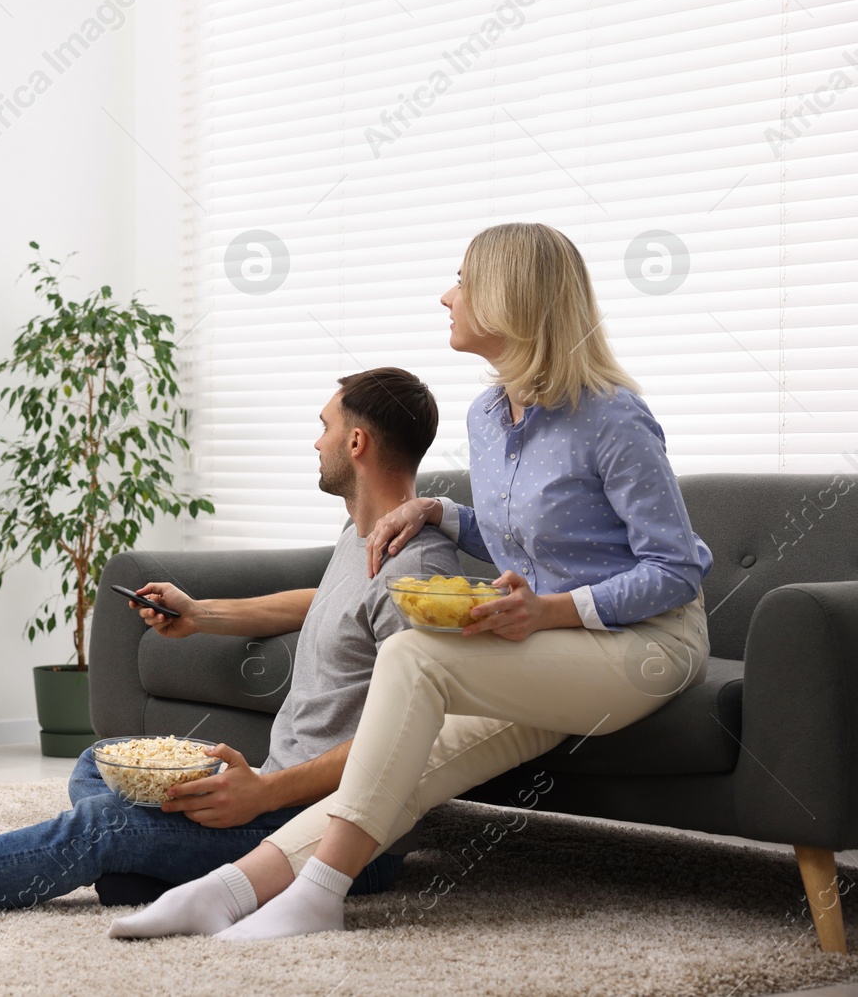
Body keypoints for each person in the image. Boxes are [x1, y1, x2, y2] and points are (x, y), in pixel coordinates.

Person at [110, 222, 713, 941]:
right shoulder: (488, 416)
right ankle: (229, 888)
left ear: (509, 297)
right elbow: (537, 536)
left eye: (461, 280)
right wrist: (441, 510)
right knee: (412, 757)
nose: (446, 295)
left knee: (412, 653)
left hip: (644, 647)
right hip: (558, 659)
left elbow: (675, 571)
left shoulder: (613, 418)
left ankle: (319, 894)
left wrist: (548, 611)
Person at [0, 366, 462, 915]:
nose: (317, 439)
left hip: (339, 838)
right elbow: (318, 604)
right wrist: (199, 612)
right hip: (276, 797)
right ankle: (143, 874)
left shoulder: (417, 564)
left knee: (103, 825)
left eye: (326, 425)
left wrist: (263, 790)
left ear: (358, 442)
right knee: (100, 761)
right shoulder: (365, 537)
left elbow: (402, 739)